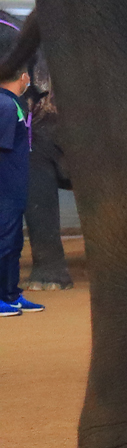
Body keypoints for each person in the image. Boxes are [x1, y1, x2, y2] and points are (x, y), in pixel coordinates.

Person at [0, 56, 40, 319]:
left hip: (15, 187)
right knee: (3, 241)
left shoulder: (14, 103)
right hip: (4, 188)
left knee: (13, 242)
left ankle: (11, 294)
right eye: (27, 75)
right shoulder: (3, 104)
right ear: (22, 76)